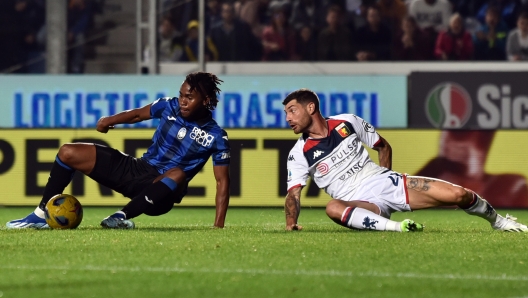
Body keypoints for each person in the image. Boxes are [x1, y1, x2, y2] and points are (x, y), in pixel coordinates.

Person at [282, 88, 527, 232]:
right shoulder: (298, 153)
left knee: (458, 195)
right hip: (360, 202)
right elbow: (293, 194)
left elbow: (382, 146)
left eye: (292, 110)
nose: (288, 118)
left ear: (311, 107)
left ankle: (499, 222)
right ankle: (399, 227)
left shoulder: (348, 122)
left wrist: (385, 176)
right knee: (332, 207)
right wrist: (291, 223)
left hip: (385, 182)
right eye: (286, 113)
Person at [7, 72, 231, 230]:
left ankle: (120, 216)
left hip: (161, 192)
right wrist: (108, 120)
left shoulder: (217, 136)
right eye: (181, 95)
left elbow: (222, 183)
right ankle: (40, 216)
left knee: (178, 173)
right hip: (138, 169)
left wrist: (218, 226)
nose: (182, 101)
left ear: (207, 100)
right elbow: (136, 115)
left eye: (189, 98)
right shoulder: (169, 105)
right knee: (68, 152)